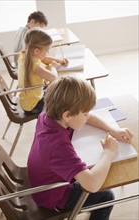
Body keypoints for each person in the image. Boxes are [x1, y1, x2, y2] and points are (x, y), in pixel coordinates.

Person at [27, 76, 133, 220]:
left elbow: (87, 118)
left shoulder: (48, 115)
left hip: (44, 179)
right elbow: (92, 185)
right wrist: (109, 152)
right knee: (106, 196)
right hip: (52, 195)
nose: (87, 117)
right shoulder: (58, 146)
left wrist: (111, 129)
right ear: (67, 115)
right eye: (84, 114)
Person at [18, 27, 68, 115]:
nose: (47, 52)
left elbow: (44, 59)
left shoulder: (25, 55)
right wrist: (53, 67)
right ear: (36, 51)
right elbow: (53, 77)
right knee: (63, 104)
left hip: (29, 100)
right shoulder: (34, 66)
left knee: (58, 94)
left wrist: (59, 60)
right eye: (47, 50)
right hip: (33, 106)